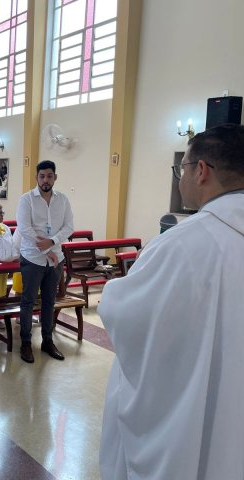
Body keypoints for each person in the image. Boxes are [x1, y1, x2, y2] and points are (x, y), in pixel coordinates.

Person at [98, 124, 244, 480]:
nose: (181, 179)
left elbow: (127, 316)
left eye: (182, 169)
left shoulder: (182, 243)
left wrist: (121, 287)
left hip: (193, 415)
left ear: (201, 170)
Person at [16, 160, 73, 364]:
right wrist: (48, 250)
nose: (45, 180)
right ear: (36, 178)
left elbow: (69, 227)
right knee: (28, 301)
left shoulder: (62, 200)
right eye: (42, 176)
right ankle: (25, 343)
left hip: (55, 260)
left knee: (50, 301)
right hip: (33, 258)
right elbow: (24, 228)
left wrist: (52, 242)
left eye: (49, 176)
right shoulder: (26, 199)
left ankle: (47, 341)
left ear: (55, 177)